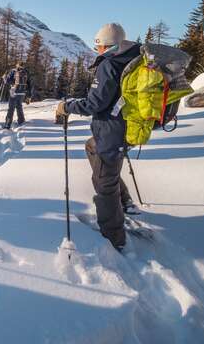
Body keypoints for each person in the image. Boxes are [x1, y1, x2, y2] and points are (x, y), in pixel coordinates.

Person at [55, 23, 140, 252]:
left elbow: (95, 103)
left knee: (105, 183)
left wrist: (68, 106)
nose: (98, 50)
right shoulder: (133, 61)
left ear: (107, 45)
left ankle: (114, 237)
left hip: (112, 131)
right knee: (93, 149)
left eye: (99, 46)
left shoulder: (110, 64)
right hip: (127, 128)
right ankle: (126, 202)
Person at [3, 62, 32, 129]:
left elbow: (8, 81)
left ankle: (7, 124)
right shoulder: (26, 72)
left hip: (14, 92)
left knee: (11, 108)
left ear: (17, 65)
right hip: (22, 93)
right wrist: (29, 95)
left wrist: (4, 77)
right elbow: (29, 84)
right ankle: (21, 121)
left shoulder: (13, 71)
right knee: (19, 106)